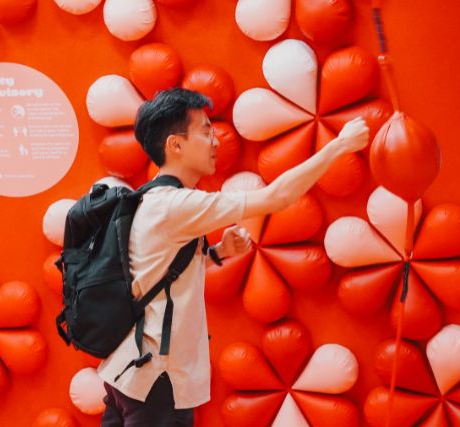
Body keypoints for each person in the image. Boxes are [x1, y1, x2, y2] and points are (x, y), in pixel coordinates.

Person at [98, 88, 369, 426]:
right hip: (156, 380)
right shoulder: (176, 205)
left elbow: (158, 271)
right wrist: (339, 145)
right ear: (175, 145)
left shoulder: (144, 200)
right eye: (206, 130)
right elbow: (277, 197)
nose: (216, 140)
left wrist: (218, 253)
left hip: (125, 369)